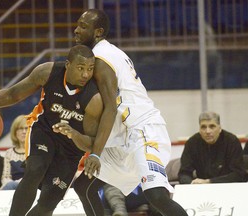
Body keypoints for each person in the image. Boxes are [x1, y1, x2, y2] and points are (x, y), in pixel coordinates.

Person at [70, 9, 188, 216]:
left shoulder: (101, 58)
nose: (76, 30)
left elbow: (110, 107)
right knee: (83, 187)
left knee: (156, 196)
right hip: (122, 135)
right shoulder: (106, 53)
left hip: (142, 130)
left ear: (98, 32)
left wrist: (96, 151)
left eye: (82, 26)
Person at [0, 45, 103, 216]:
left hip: (72, 147)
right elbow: (13, 94)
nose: (86, 74)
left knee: (48, 204)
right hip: (44, 130)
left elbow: (89, 144)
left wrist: (73, 134)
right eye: (81, 68)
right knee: (35, 170)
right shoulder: (47, 72)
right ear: (68, 64)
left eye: (90, 69)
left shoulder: (94, 99)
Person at [178, 111, 247, 184]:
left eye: (212, 126)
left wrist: (209, 182)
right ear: (199, 129)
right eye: (203, 127)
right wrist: (191, 183)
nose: (207, 131)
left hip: (227, 186)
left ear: (219, 128)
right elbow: (183, 173)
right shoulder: (192, 143)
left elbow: (239, 174)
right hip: (201, 188)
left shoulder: (232, 141)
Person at [0, 115, 27, 190]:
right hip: (12, 188)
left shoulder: (36, 151)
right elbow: (5, 177)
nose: (24, 132)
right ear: (15, 132)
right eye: (21, 129)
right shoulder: (9, 153)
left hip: (31, 187)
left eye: (27, 128)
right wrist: (13, 184)